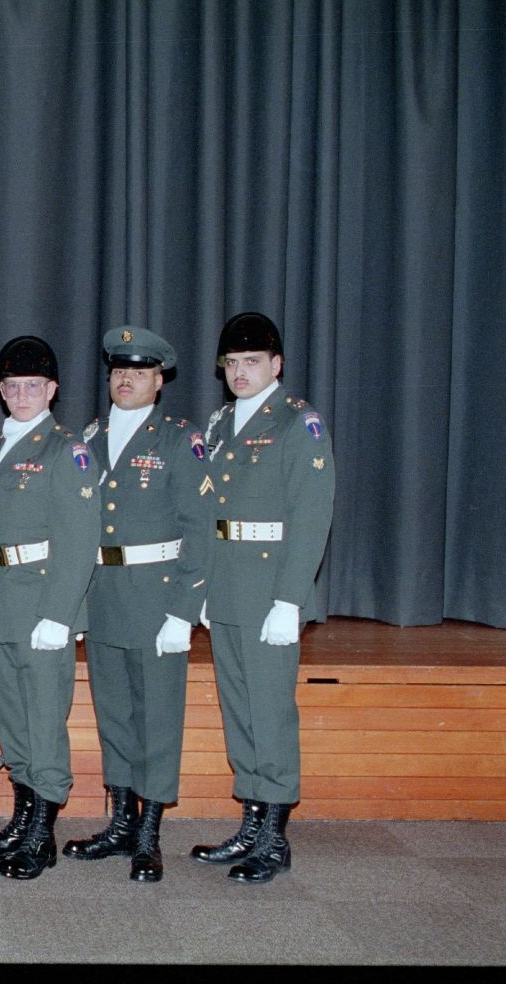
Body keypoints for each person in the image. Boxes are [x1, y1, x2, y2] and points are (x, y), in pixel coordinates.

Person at [64, 325, 212, 883]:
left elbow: (200, 529)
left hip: (156, 598)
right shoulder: (90, 436)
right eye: (119, 370)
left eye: (140, 371)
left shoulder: (180, 439)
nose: (126, 378)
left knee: (157, 718)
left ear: (159, 380)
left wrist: (184, 610)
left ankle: (149, 832)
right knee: (116, 716)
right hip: (102, 595)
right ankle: (121, 822)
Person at [191, 312, 334, 884]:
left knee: (270, 711)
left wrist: (290, 599)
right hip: (228, 584)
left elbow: (312, 514)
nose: (241, 372)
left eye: (253, 362)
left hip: (272, 587)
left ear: (276, 365)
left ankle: (274, 834)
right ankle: (251, 821)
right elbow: (209, 512)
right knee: (240, 711)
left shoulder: (299, 423)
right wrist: (202, 585)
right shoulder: (223, 422)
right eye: (232, 363)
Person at [0, 336, 98, 880]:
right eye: (12, 386)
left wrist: (60, 614)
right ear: (0, 390)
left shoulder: (67, 450)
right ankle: (21, 819)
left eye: (33, 386)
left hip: (43, 606)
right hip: (0, 607)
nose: (21, 394)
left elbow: (80, 539)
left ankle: (41, 832)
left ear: (52, 390)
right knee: (14, 725)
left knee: (44, 723)